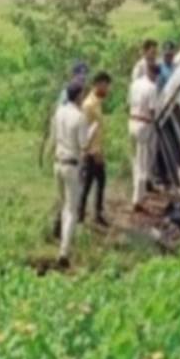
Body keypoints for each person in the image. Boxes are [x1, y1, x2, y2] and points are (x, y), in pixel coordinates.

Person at [51, 81, 91, 266]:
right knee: (71, 209)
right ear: (78, 96)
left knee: (62, 203)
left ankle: (58, 234)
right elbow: (83, 146)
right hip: (71, 165)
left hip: (57, 162)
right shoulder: (80, 117)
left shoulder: (59, 112)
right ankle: (64, 251)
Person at [78, 72, 111, 228]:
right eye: (105, 85)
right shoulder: (88, 105)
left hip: (97, 151)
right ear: (98, 84)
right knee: (87, 185)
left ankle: (96, 214)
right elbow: (85, 130)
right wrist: (92, 152)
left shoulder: (97, 102)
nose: (108, 89)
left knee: (101, 183)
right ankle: (80, 216)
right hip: (91, 153)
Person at [129, 62, 159, 213]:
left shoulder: (135, 84)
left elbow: (129, 103)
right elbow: (153, 110)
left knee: (135, 161)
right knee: (142, 163)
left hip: (132, 122)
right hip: (144, 124)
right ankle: (137, 200)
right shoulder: (152, 87)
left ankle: (137, 195)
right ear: (155, 75)